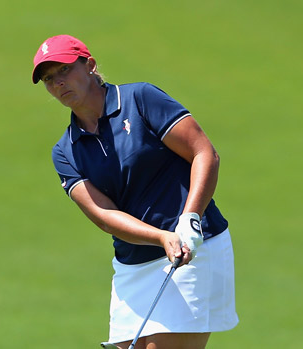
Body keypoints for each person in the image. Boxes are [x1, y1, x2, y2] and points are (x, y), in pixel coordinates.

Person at [31, 34, 238, 349]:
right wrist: (160, 237)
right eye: (49, 79)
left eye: (64, 70)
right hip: (133, 266)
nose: (58, 83)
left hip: (191, 250)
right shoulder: (66, 151)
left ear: (89, 65)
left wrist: (190, 218)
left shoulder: (140, 100)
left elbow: (203, 153)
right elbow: (104, 215)